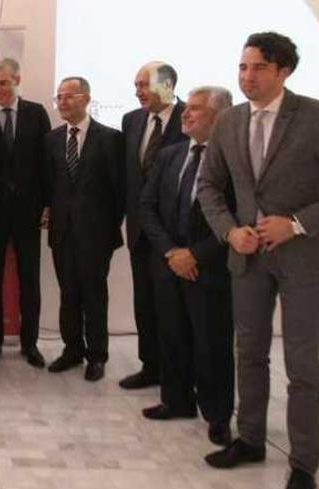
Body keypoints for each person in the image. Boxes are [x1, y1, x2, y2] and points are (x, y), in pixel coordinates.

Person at [198, 32, 319, 489]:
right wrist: (230, 230)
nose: (248, 77)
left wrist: (297, 224)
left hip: (303, 259)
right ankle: (249, 438)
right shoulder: (228, 121)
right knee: (248, 353)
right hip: (245, 258)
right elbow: (209, 187)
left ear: (284, 71)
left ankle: (304, 463)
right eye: (243, 67)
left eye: (259, 68)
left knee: (304, 366)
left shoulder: (311, 117)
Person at [140, 86, 235, 446]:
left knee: (211, 343)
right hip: (169, 263)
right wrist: (171, 252)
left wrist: (195, 255)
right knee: (172, 334)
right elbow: (147, 207)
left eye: (196, 109)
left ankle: (217, 415)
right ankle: (176, 400)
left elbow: (236, 216)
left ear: (220, 117)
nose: (186, 114)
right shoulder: (170, 155)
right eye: (188, 108)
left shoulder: (231, 160)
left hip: (209, 266)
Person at [0, 57, 50, 367]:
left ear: (17, 80)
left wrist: (48, 204)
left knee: (29, 278)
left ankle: (30, 343)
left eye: (2, 83)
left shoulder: (36, 113)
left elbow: (46, 162)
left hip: (29, 212)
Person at [43, 77, 124, 382]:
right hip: (62, 231)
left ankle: (97, 356)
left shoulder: (110, 138)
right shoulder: (51, 140)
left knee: (94, 294)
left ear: (86, 98)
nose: (62, 102)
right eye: (59, 97)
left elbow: (119, 193)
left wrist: (107, 228)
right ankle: (72, 349)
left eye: (69, 96)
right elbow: (50, 185)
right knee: (69, 293)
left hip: (96, 234)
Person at [120, 61, 188, 390]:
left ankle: (177, 377)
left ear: (167, 85)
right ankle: (150, 367)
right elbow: (130, 177)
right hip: (139, 231)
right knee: (144, 303)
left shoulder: (190, 117)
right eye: (136, 85)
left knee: (174, 310)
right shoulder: (131, 120)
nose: (137, 92)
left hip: (176, 235)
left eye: (144, 85)